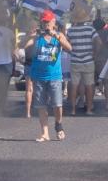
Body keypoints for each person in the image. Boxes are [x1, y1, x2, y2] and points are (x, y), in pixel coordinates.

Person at [23, 10, 72, 141]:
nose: (46, 25)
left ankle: (58, 125)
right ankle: (45, 133)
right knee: (41, 105)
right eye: (44, 22)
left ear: (53, 22)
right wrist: (30, 36)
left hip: (54, 76)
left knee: (57, 105)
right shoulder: (37, 37)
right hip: (38, 76)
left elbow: (69, 48)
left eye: (48, 22)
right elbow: (24, 46)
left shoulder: (59, 35)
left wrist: (58, 37)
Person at [66, 15, 100, 115]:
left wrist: (71, 52)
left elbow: (66, 44)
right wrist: (95, 54)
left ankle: (73, 110)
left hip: (75, 61)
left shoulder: (71, 30)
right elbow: (99, 42)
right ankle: (89, 109)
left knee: (74, 85)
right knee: (89, 85)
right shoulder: (90, 29)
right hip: (88, 61)